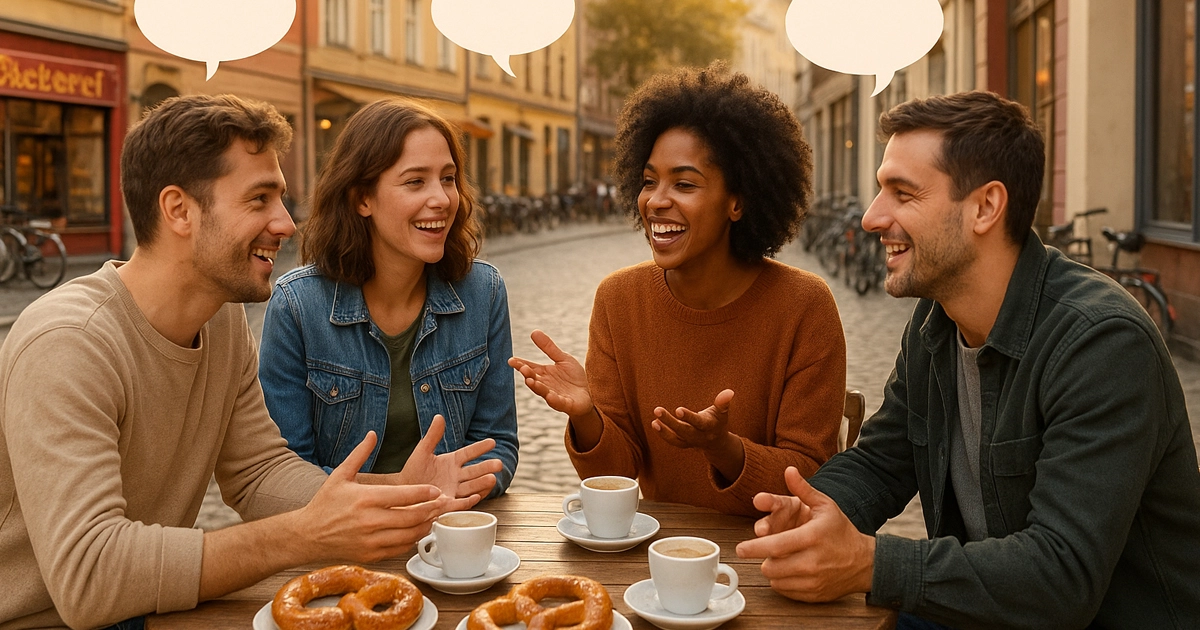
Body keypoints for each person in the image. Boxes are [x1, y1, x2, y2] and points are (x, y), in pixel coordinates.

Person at [0, 94, 501, 629]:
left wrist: (398, 491)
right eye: (259, 199)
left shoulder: (217, 320)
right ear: (179, 210)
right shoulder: (70, 341)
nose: (286, 224)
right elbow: (90, 577)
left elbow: (258, 473)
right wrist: (302, 534)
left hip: (146, 611)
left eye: (280, 199)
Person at [735, 91, 1200, 628]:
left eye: (902, 193)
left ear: (985, 207)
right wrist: (812, 511)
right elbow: (883, 461)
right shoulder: (938, 320)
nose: (871, 217)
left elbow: (1062, 575)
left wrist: (870, 562)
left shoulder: (1101, 343)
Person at [509, 63, 846, 517]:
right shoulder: (619, 300)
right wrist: (586, 415)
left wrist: (723, 449)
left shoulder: (804, 305)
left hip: (766, 553)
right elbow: (617, 472)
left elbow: (809, 477)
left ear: (738, 201)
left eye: (684, 184)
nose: (655, 200)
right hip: (660, 558)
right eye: (649, 181)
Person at [258, 98, 518, 496]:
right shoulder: (298, 306)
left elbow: (497, 443)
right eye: (416, 181)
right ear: (363, 198)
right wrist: (402, 489)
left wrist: (459, 488)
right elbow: (287, 474)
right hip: (341, 542)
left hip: (454, 534)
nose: (442, 199)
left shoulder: (483, 292)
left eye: (448, 178)